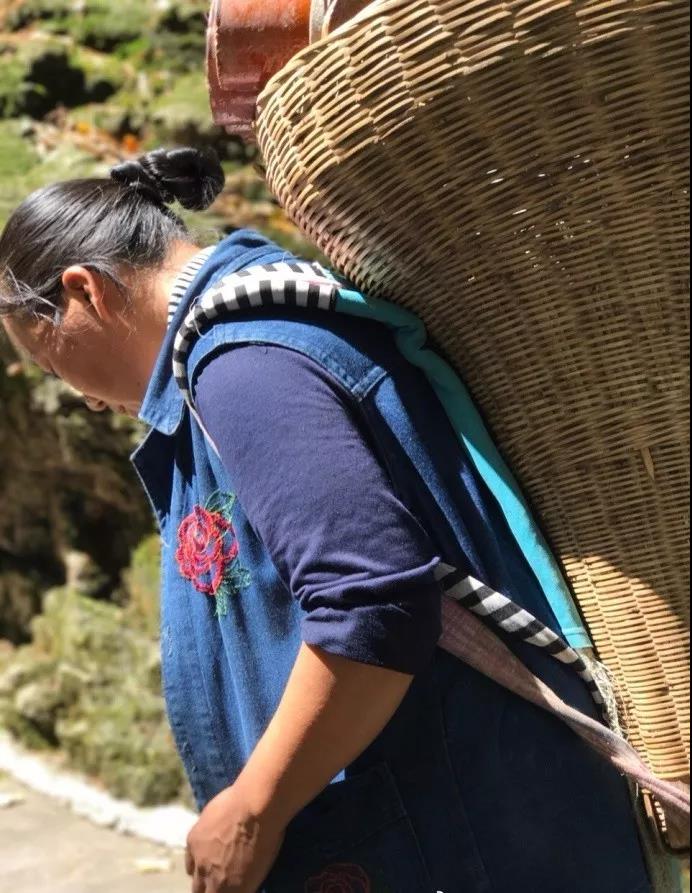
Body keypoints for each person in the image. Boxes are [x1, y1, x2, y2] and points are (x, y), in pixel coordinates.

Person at [0, 146, 654, 893]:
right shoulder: (275, 320)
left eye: (52, 363)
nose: (83, 398)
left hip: (457, 843)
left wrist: (254, 808)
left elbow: (370, 604)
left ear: (85, 291)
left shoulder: (244, 366)